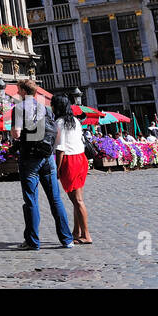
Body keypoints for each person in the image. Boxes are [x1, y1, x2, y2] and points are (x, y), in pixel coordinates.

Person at [10, 79, 74, 250]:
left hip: (29, 158)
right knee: (55, 199)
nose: (17, 92)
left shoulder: (19, 108)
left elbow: (16, 134)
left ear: (24, 91)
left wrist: (19, 134)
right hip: (47, 157)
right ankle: (67, 239)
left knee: (31, 200)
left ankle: (33, 241)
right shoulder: (45, 109)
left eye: (18, 89)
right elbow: (56, 132)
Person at [52, 95, 92, 244]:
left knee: (78, 201)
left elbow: (60, 149)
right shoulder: (75, 120)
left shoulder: (59, 123)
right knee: (77, 200)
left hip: (70, 161)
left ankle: (86, 235)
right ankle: (77, 232)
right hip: (81, 158)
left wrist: (57, 168)